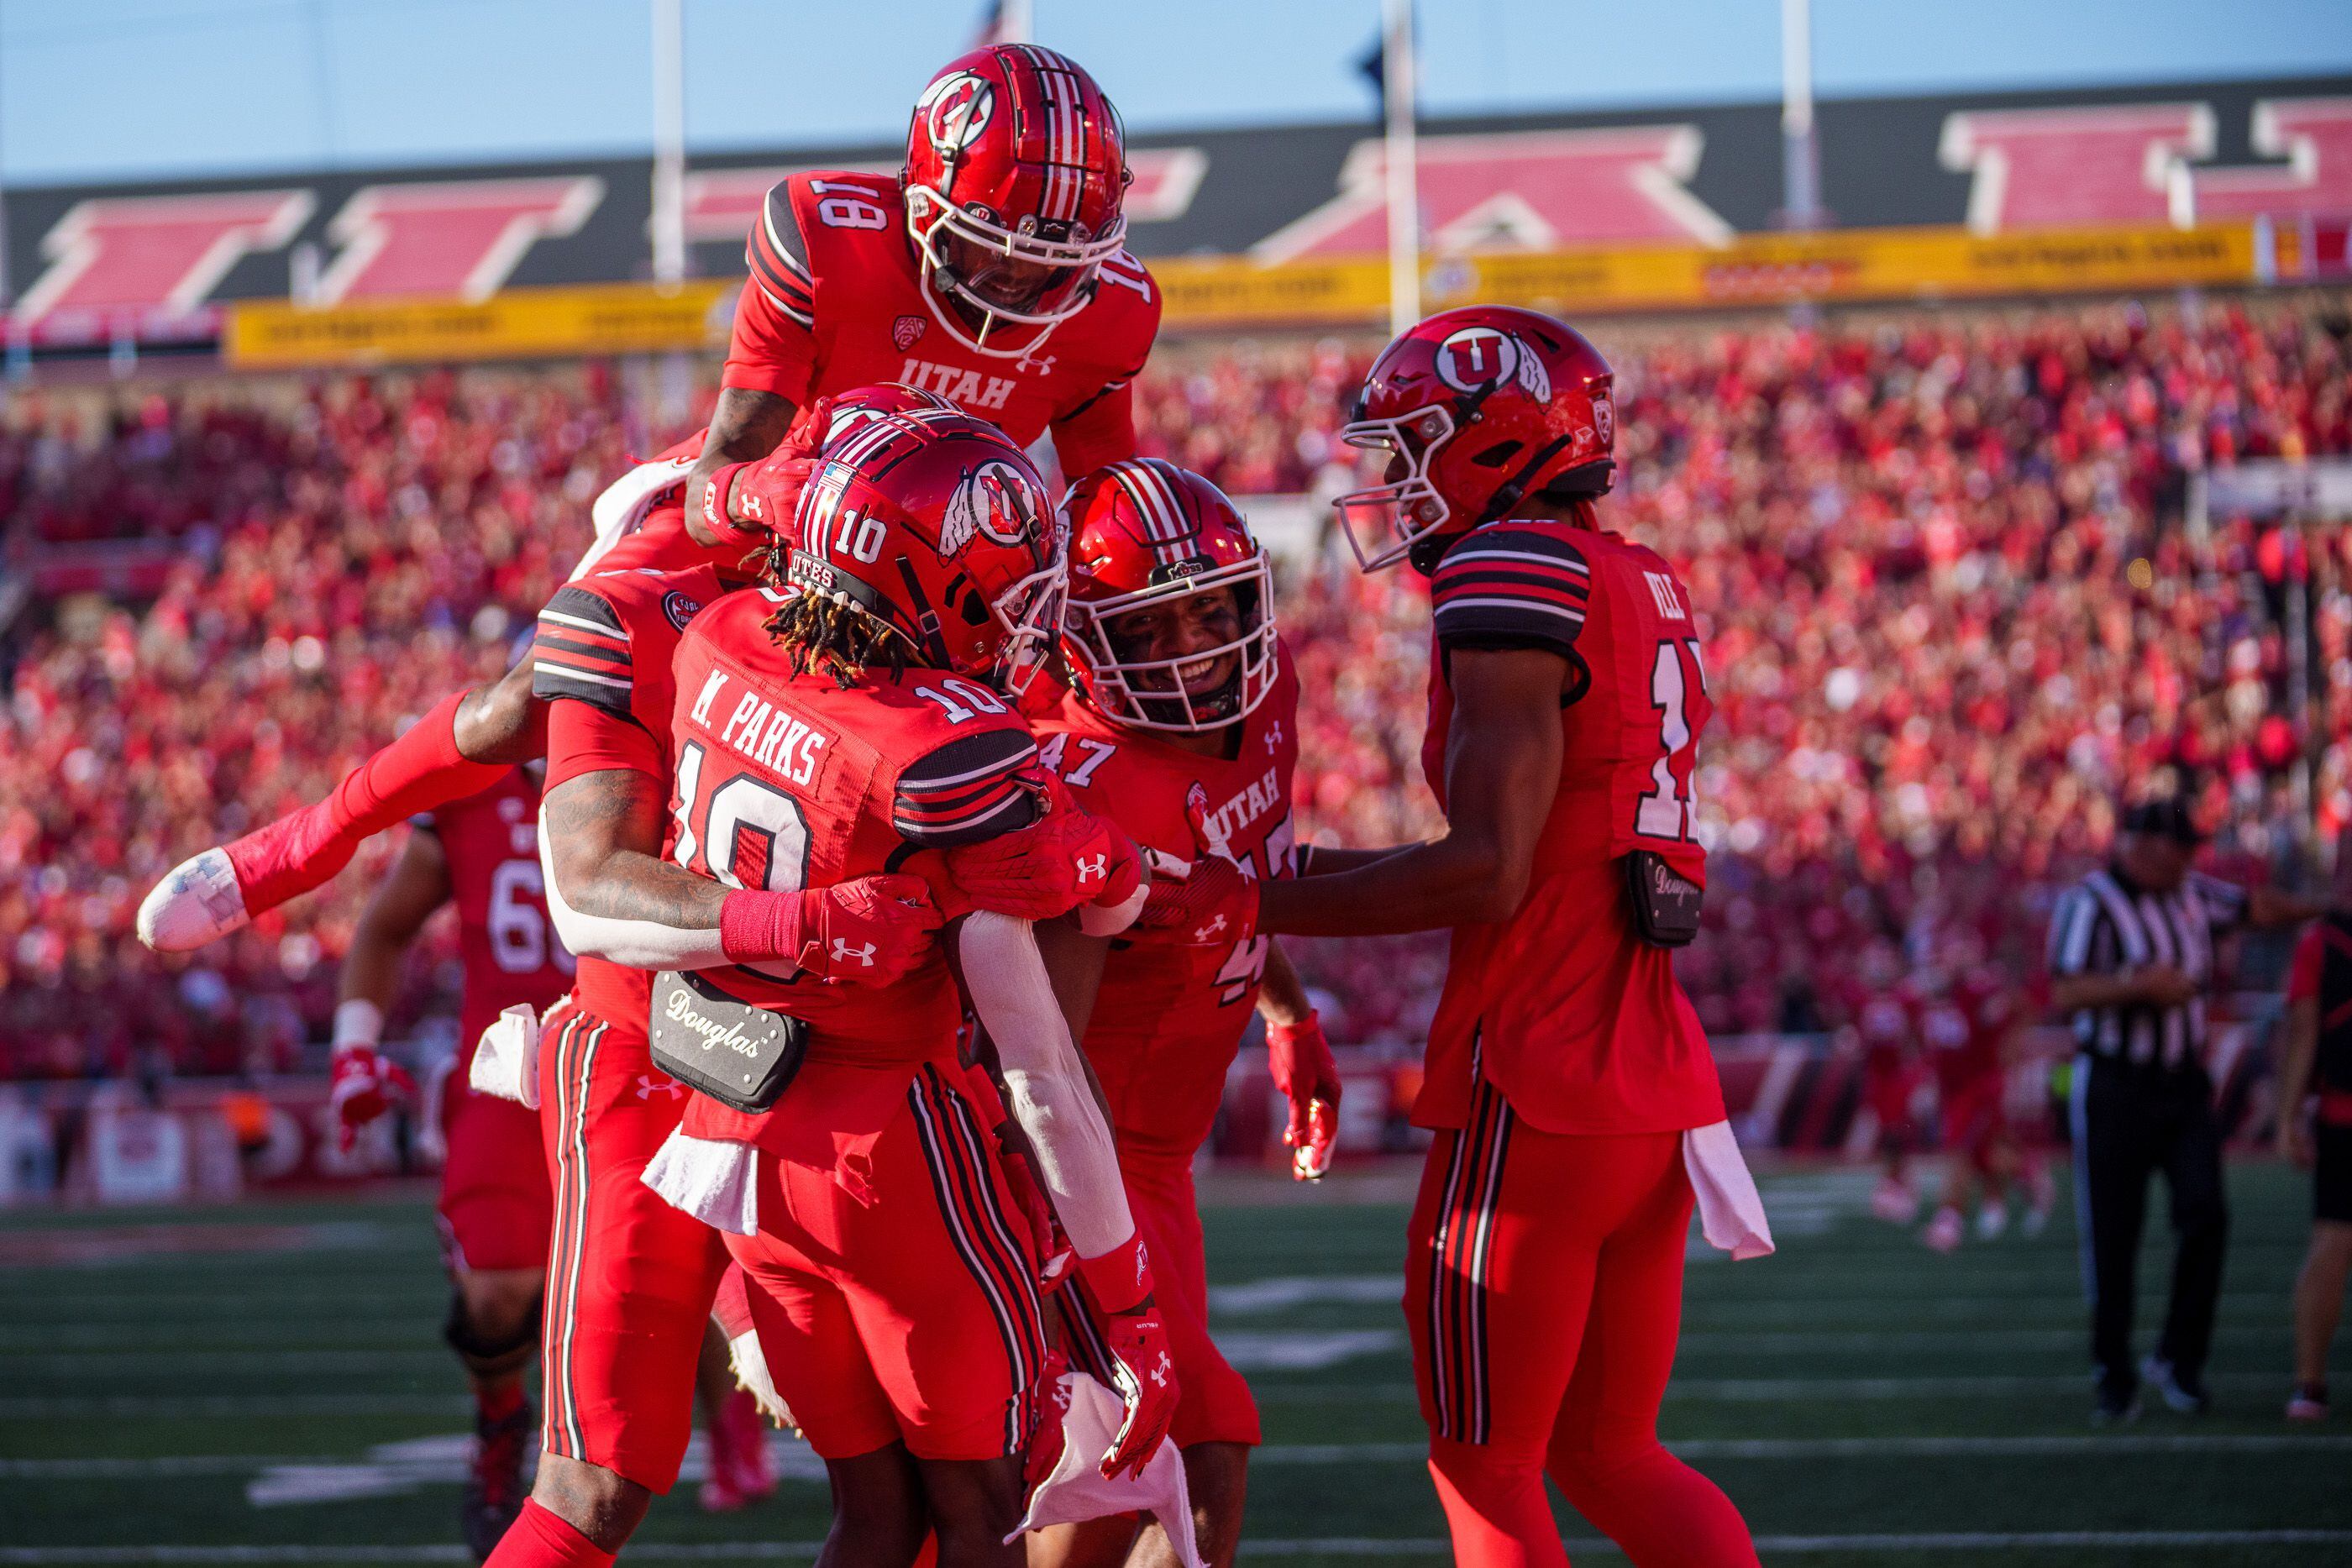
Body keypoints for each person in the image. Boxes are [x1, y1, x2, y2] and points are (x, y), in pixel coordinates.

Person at [137, 40, 1158, 957]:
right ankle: (307, 842)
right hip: (772, 519)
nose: (1019, 294)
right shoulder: (826, 235)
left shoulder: (1111, 316)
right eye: (995, 254)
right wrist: (781, 497)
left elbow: (1107, 511)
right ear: (920, 198)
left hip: (939, 572)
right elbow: (718, 486)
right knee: (534, 690)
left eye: (1053, 268)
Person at [1140, 307, 1768, 1567]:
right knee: (1612, 1453)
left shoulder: (1508, 573)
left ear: (1498, 440)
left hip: (1538, 1074)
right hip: (1653, 1077)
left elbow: (1487, 870)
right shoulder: (1638, 571)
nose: (1391, 475)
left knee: (1484, 1462)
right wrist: (1290, 879)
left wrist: (1254, 896)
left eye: (1416, 440)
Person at [634, 404, 1180, 1562]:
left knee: (872, 1515)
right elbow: (1041, 1059)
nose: (1019, 609)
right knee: (987, 1510)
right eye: (1002, 579)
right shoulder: (944, 752)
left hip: (741, 1127)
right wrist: (1130, 1301)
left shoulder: (720, 635)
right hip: (890, 1148)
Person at [475, 435, 949, 1568]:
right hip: (653, 1045)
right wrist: (810, 923)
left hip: (806, 1075)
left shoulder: (796, 634)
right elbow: (586, 890)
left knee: (910, 1479)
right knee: (596, 1480)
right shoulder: (632, 609)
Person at [1026, 459, 1340, 1568]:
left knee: (1125, 1485)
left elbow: (1242, 870)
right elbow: (1041, 1054)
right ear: (1075, 637)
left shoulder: (1268, 699)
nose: (1197, 645)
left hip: (1165, 1155)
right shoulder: (1078, 778)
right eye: (1154, 626)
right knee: (1193, 1452)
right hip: (1090, 1156)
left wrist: (1287, 1007)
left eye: (1214, 609)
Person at [330, 766, 573, 1555]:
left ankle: (723, 1439)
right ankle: (502, 1422)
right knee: (499, 1289)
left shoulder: (653, 760)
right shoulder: (474, 784)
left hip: (635, 1059)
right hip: (507, 1069)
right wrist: (353, 1049)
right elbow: (384, 927)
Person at [2046, 796, 2323, 1423]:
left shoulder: (2193, 892)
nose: (2192, 858)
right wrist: (2137, 985)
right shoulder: (2090, 903)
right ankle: (2113, 1373)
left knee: (2207, 1213)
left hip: (2182, 1083)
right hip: (2114, 1084)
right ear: (2145, 847)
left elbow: (2255, 908)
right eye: (2180, 847)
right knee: (2113, 1235)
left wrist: (2325, 910)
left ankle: (2179, 1357)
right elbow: (2066, 988)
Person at [2275, 826, 2352, 1421]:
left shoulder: (2320, 942)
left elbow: (2302, 1035)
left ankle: (2310, 1384)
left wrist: (2285, 1117)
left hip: (2341, 1113)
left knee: (2332, 1239)